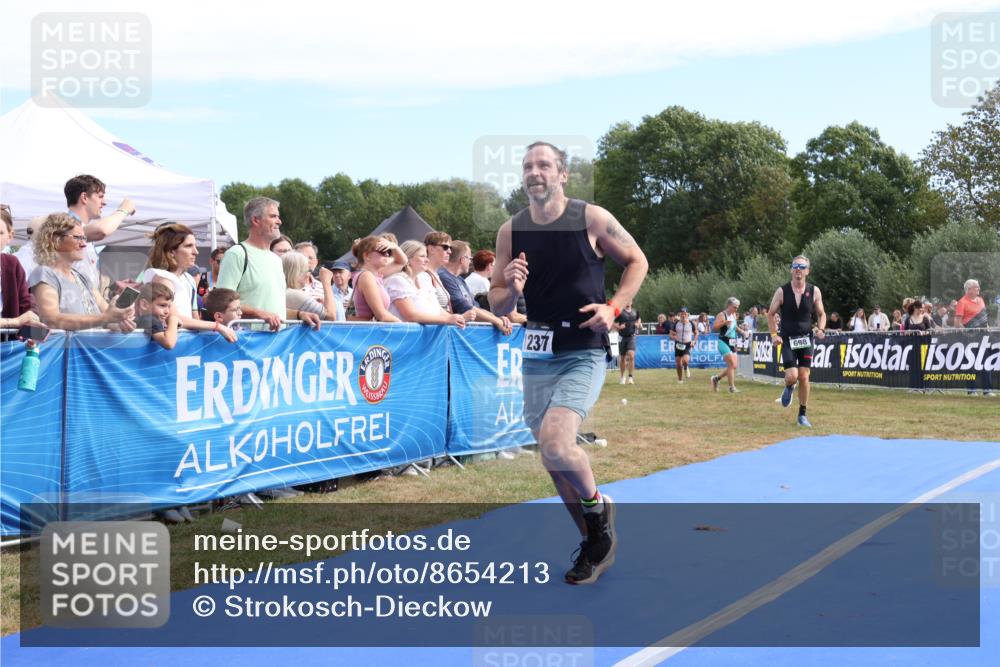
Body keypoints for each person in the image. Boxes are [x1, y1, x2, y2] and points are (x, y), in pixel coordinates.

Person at [488, 141, 648, 585]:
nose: (534, 172)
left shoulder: (590, 218)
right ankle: (593, 544)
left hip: (583, 348)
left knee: (558, 445)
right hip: (538, 352)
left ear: (562, 175)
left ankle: (598, 508)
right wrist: (512, 289)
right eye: (527, 166)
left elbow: (637, 260)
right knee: (551, 458)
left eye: (544, 165)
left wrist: (614, 308)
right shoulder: (511, 230)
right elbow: (499, 303)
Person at [217, 197, 319, 330]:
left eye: (278, 216)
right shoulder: (237, 254)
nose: (279, 221)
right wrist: (259, 314)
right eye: (273, 216)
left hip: (276, 344)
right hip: (248, 343)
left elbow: (274, 310)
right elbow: (222, 302)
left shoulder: (276, 259)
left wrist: (299, 314)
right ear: (256, 220)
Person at [28, 213, 135, 331]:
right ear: (55, 239)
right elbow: (52, 320)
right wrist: (106, 318)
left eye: (84, 238)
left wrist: (120, 322)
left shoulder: (82, 276)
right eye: (77, 237)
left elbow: (106, 315)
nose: (84, 244)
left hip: (90, 348)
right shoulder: (44, 273)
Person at [141, 224, 237, 342]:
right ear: (171, 251)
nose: (196, 252)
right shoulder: (163, 278)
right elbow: (174, 319)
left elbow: (194, 318)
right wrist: (217, 326)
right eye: (188, 246)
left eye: (195, 246)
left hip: (185, 346)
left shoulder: (189, 278)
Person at [767, 255, 827, 428]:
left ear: (807, 270)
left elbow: (822, 314)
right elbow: (770, 314)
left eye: (802, 266)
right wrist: (773, 335)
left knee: (804, 375)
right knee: (792, 376)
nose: (798, 269)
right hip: (787, 339)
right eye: (795, 266)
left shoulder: (814, 291)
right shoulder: (782, 291)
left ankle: (802, 414)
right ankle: (788, 387)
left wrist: (821, 329)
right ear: (791, 270)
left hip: (806, 339)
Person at [64, 174, 137, 289]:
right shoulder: (65, 227)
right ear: (84, 197)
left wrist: (111, 288)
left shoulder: (81, 228)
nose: (104, 202)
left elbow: (87, 279)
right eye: (100, 196)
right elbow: (101, 231)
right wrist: (123, 210)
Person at [438, 240, 512, 335]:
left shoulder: (460, 279)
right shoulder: (444, 276)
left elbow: (475, 307)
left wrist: (497, 318)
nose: (470, 262)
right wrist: (496, 320)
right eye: (469, 258)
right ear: (462, 259)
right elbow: (465, 307)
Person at [385, 240, 466, 326]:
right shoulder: (397, 281)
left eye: (426, 256)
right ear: (408, 259)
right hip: (405, 337)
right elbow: (411, 315)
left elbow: (437, 309)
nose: (427, 260)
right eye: (422, 256)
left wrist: (455, 318)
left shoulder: (424, 279)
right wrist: (447, 319)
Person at [348, 236, 404, 322]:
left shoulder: (375, 275)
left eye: (389, 251)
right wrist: (404, 327)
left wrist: (394, 247)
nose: (387, 254)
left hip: (369, 331)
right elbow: (382, 315)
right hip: (365, 332)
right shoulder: (366, 276)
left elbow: (402, 262)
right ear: (367, 255)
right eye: (382, 251)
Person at [954, 278, 993, 396]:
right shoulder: (962, 302)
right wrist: (966, 333)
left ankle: (987, 390)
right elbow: (957, 322)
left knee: (986, 361)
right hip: (969, 337)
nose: (979, 289)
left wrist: (988, 328)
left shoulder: (981, 300)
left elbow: (984, 318)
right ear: (969, 289)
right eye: (977, 287)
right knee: (970, 363)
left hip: (983, 336)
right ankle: (972, 390)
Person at [1, 206, 38, 331]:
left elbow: (25, 305)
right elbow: (19, 319)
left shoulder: (12, 264)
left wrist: (33, 320)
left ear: (10, 236)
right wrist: (15, 322)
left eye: (0, 233)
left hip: (7, 345)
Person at [283, 251, 338, 321]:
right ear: (296, 272)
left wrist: (312, 303)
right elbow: (330, 316)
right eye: (306, 270)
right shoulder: (293, 294)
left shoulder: (284, 292)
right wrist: (326, 282)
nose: (308, 274)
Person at [709, 297, 746, 394]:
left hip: (732, 342)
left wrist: (742, 331)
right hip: (723, 342)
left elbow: (734, 326)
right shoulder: (722, 314)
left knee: (734, 366)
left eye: (737, 307)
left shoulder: (733, 314)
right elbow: (715, 327)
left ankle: (716, 379)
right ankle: (731, 387)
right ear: (729, 306)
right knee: (731, 364)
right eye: (735, 307)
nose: (736, 309)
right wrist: (724, 323)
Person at [135, 281, 180, 349]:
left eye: (169, 306)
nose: (167, 311)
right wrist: (174, 319)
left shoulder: (140, 319)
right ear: (144, 304)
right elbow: (169, 343)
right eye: (162, 305)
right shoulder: (151, 320)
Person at [614, 302, 640, 385]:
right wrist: (618, 327)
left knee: (631, 355)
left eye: (630, 300)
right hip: (621, 337)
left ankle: (630, 377)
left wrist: (638, 323)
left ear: (632, 302)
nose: (628, 302)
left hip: (631, 336)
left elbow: (639, 318)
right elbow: (612, 322)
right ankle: (622, 377)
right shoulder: (619, 312)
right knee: (622, 358)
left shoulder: (635, 311)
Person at [670, 307, 697, 383]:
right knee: (678, 363)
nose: (683, 315)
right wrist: (673, 336)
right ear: (680, 314)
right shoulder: (676, 323)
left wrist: (694, 341)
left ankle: (686, 367)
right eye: (682, 314)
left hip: (687, 344)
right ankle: (680, 379)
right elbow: (671, 334)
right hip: (678, 344)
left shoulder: (691, 323)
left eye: (685, 314)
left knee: (685, 360)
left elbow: (696, 333)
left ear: (687, 314)